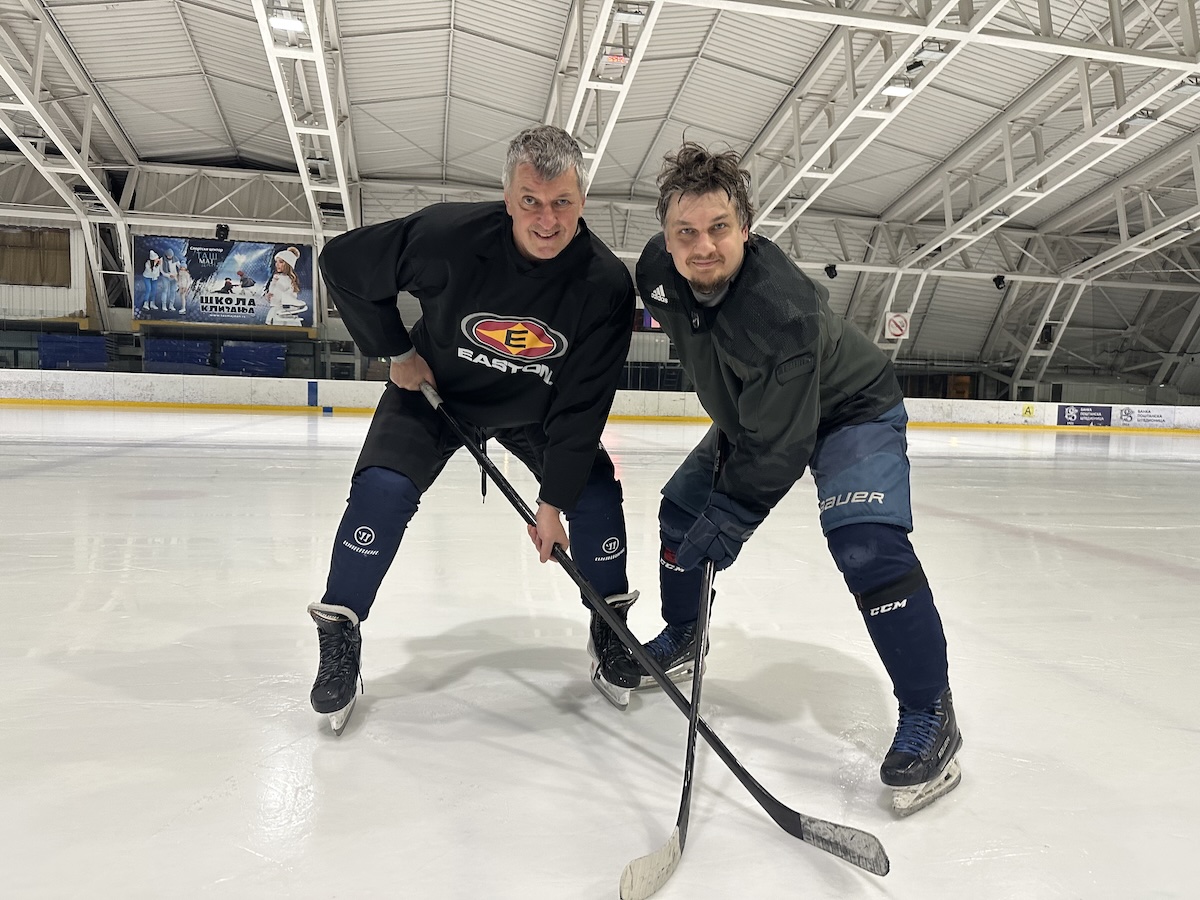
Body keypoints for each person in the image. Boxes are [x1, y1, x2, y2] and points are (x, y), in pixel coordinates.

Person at [628, 142, 963, 816]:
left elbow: (781, 445)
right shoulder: (656, 272)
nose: (702, 247)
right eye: (685, 232)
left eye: (719, 228)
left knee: (866, 544)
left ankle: (932, 713)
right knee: (680, 515)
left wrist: (732, 516)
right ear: (665, 235)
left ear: (746, 229)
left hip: (849, 408)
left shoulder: (782, 312)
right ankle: (685, 633)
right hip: (756, 411)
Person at [307, 124, 640, 734]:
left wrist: (553, 503)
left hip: (535, 412)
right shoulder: (449, 236)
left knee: (595, 495)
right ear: (507, 196)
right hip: (435, 391)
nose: (547, 219)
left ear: (582, 199)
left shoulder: (606, 286)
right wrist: (396, 351)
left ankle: (610, 624)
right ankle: (341, 628)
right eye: (530, 201)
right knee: (382, 490)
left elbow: (583, 405)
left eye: (562, 202)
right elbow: (345, 263)